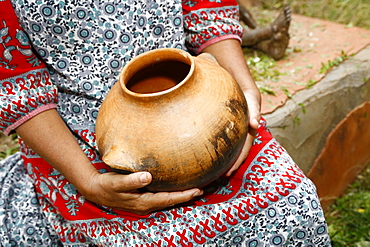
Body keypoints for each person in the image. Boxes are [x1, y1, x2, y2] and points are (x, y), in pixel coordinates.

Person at [0, 0, 331, 246]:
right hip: (80, 142)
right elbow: (14, 84)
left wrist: (243, 92)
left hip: (202, 102)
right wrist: (89, 183)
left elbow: (207, 10)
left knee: (293, 201)